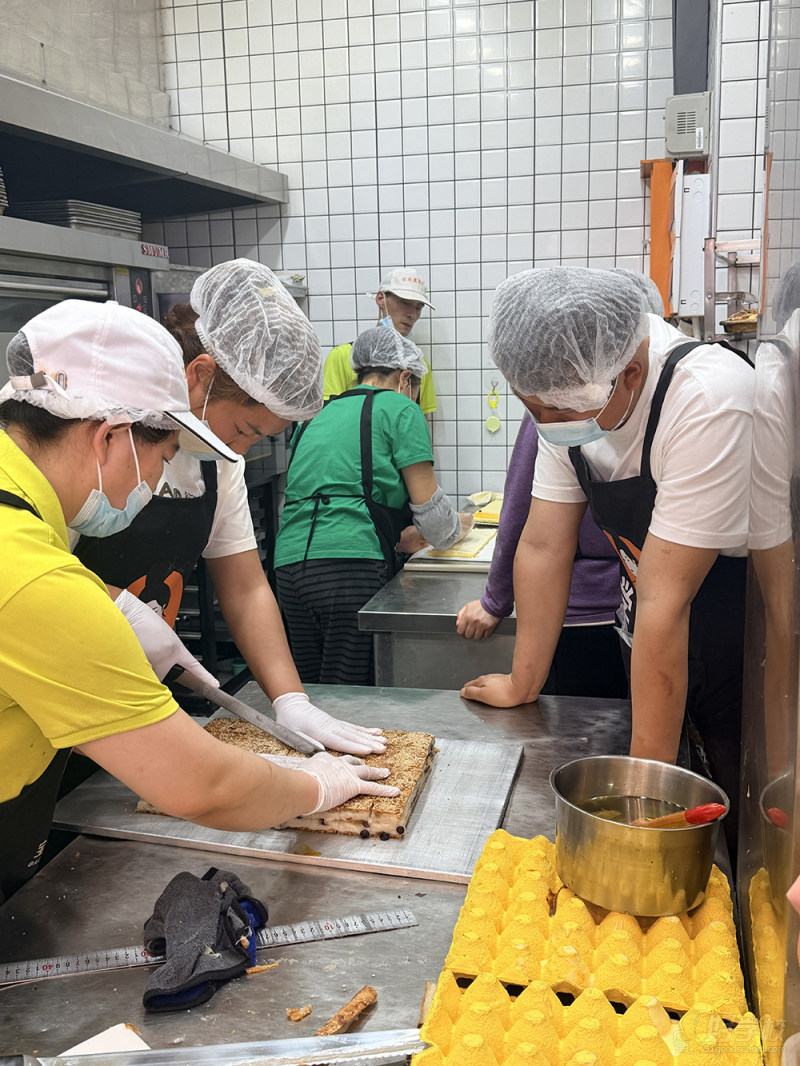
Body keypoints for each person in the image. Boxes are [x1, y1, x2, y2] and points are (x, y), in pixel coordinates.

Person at [0, 300, 398, 903]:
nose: (153, 485)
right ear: (109, 436)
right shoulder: (36, 578)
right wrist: (313, 786)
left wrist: (107, 601)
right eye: (161, 459)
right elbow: (201, 785)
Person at [461, 267, 753, 857]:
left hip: (739, 650)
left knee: (733, 832)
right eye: (533, 409)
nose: (547, 425)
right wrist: (523, 681)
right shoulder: (571, 390)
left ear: (632, 375)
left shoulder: (707, 398)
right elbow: (544, 546)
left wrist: (643, 800)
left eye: (556, 412)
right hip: (652, 631)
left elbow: (666, 601)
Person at [74, 259, 387, 757]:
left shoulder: (219, 461)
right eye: (243, 429)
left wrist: (290, 699)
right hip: (58, 677)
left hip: (130, 695)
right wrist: (114, 604)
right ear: (199, 376)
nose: (240, 450)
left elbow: (244, 588)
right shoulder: (97, 435)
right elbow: (23, 566)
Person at [275, 326, 471, 685]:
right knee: (353, 693)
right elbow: (438, 526)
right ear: (405, 378)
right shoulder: (400, 407)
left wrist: (396, 539)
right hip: (350, 571)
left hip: (289, 568)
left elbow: (332, 496)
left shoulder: (313, 416)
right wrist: (463, 524)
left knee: (310, 692)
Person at [456, 412, 627, 698]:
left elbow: (523, 515)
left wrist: (495, 601)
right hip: (649, 605)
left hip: (588, 608)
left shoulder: (557, 405)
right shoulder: (559, 412)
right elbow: (540, 541)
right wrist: (521, 686)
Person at [322, 267, 438, 419]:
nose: (412, 314)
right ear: (380, 299)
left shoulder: (419, 365)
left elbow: (421, 422)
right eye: (405, 303)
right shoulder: (343, 356)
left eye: (418, 307)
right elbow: (329, 419)